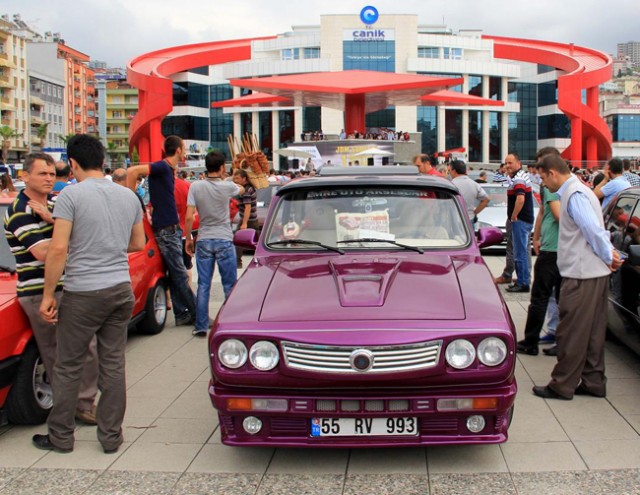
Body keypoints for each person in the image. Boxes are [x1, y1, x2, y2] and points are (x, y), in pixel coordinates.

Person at [33, 134, 144, 453]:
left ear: (73, 163)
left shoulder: (71, 195)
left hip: (83, 292)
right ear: (102, 160)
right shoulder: (127, 196)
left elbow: (58, 249)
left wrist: (48, 295)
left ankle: (61, 437)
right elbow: (138, 243)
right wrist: (107, 245)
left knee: (68, 366)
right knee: (114, 364)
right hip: (120, 290)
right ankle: (111, 438)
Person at [4, 152, 98, 426]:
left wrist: (51, 220)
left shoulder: (56, 204)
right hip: (38, 292)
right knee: (56, 354)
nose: (49, 178)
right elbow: (46, 253)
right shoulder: (18, 212)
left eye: (52, 173)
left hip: (68, 287)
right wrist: (61, 231)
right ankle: (70, 409)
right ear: (24, 176)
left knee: (87, 347)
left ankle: (83, 402)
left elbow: (80, 234)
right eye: (42, 173)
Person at [532, 153, 623, 400]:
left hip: (582, 275)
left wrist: (608, 255)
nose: (543, 183)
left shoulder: (574, 194)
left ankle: (562, 385)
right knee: (592, 333)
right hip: (592, 273)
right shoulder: (578, 191)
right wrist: (608, 255)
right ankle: (593, 381)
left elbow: (592, 230)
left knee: (570, 331)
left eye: (543, 177)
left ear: (552, 173)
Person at [126, 135, 196, 326]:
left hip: (168, 228)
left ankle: (183, 314)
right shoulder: (162, 166)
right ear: (179, 150)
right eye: (184, 148)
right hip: (166, 229)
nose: (186, 152)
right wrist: (128, 196)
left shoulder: (167, 169)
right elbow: (133, 170)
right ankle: (198, 314)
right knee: (180, 273)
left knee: (174, 273)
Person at [185, 152, 243, 337]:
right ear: (221, 168)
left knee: (203, 284)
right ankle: (231, 323)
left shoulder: (195, 186)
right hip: (224, 238)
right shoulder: (227, 187)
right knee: (229, 285)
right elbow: (242, 189)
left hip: (203, 239)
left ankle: (201, 325)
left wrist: (188, 238)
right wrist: (228, 177)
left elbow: (188, 216)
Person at [517, 147, 562, 355]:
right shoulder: (549, 187)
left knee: (540, 297)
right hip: (551, 247)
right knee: (555, 297)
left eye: (542, 167)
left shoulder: (554, 187)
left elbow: (557, 215)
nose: (539, 172)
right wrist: (536, 237)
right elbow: (543, 212)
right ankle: (556, 337)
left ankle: (531, 342)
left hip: (554, 250)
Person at [504, 153, 535, 293]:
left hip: (520, 220)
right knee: (523, 250)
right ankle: (524, 279)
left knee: (520, 252)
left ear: (518, 163)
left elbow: (520, 199)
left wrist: (514, 215)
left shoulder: (518, 179)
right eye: (506, 163)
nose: (507, 166)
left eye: (510, 163)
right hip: (524, 219)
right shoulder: (520, 176)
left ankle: (522, 283)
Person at [447, 160, 489, 225]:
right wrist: (475, 212)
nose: (449, 173)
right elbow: (486, 200)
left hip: (454, 220)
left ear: (454, 171)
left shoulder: (450, 185)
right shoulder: (474, 184)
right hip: (469, 219)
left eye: (450, 170)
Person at [233, 169, 258, 269]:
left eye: (238, 178)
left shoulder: (246, 190)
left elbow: (248, 207)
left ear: (244, 178)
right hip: (253, 219)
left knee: (237, 241)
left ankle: (237, 262)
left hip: (248, 220)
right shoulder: (249, 188)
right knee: (257, 242)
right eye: (235, 178)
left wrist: (244, 223)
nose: (235, 180)